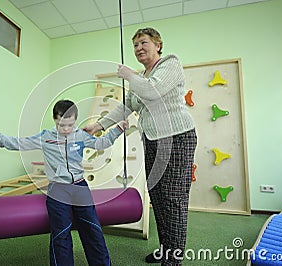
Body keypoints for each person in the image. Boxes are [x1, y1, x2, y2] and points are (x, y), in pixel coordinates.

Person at [83, 28, 197, 265]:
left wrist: (129, 75)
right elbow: (127, 106)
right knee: (157, 195)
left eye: (143, 42)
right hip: (153, 140)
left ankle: (174, 258)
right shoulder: (140, 78)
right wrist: (98, 126)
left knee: (173, 198)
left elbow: (153, 91)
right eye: (135, 45)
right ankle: (166, 249)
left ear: (158, 44)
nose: (138, 48)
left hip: (177, 137)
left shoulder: (169, 64)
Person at [0, 99, 128, 266]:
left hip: (80, 186)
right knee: (61, 234)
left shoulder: (81, 135)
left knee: (93, 229)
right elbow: (15, 143)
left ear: (75, 120)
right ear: (55, 119)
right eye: (62, 125)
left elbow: (102, 143)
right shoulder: (45, 137)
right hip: (58, 189)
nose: (66, 129)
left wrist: (119, 129)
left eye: (70, 125)